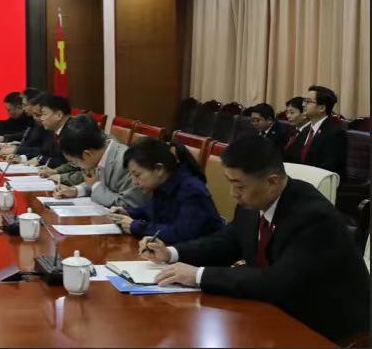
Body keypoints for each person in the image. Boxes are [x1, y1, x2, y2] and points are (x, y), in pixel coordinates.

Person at [143, 134, 369, 344]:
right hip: (275, 310)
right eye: (230, 183)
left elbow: (277, 282)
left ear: (272, 182)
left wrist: (198, 275)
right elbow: (227, 242)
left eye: (239, 185)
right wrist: (172, 253)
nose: (233, 194)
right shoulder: (253, 203)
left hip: (326, 327)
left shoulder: (313, 217)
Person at [106, 138, 223, 244]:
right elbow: (151, 211)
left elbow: (181, 234)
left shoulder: (192, 190)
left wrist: (137, 227)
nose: (134, 182)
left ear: (159, 169)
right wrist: (128, 213)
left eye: (137, 175)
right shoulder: (163, 183)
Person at [53, 114, 148, 209]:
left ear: (87, 154)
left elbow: (129, 205)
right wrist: (76, 190)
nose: (76, 166)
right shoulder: (101, 154)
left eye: (74, 162)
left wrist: (95, 185)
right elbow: (97, 184)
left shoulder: (126, 162)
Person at [282, 85, 347, 177]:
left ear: (322, 108)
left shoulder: (335, 133)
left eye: (308, 101)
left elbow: (329, 168)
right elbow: (291, 156)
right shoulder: (305, 130)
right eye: (304, 101)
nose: (303, 105)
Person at [34, 94, 84, 186]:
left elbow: (82, 167)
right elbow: (73, 163)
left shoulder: (76, 131)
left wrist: (61, 177)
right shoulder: (58, 130)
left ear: (59, 115)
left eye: (44, 114)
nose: (41, 118)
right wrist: (55, 171)